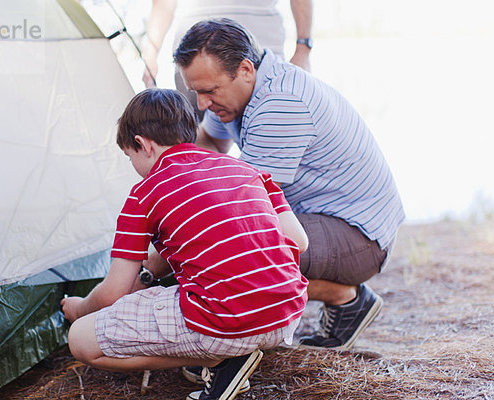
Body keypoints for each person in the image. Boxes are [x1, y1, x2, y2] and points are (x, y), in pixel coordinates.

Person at [173, 19, 405, 353]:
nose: (202, 105)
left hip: (361, 238)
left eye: (209, 91)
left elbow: (239, 207)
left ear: (245, 69)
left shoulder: (279, 104)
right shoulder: (240, 89)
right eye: (197, 92)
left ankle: (345, 298)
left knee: (237, 248)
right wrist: (172, 174)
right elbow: (209, 141)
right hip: (326, 218)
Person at [61, 88, 309, 400]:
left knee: (80, 340)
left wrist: (80, 308)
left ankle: (220, 360)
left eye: (130, 157)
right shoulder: (249, 171)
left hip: (223, 322)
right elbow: (298, 242)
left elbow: (112, 293)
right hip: (285, 314)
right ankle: (232, 351)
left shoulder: (145, 193)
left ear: (143, 144)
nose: (134, 167)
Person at [142, 0, 313, 119]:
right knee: (200, 137)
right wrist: (151, 51)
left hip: (260, 53)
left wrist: (303, 48)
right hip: (192, 59)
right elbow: (163, 3)